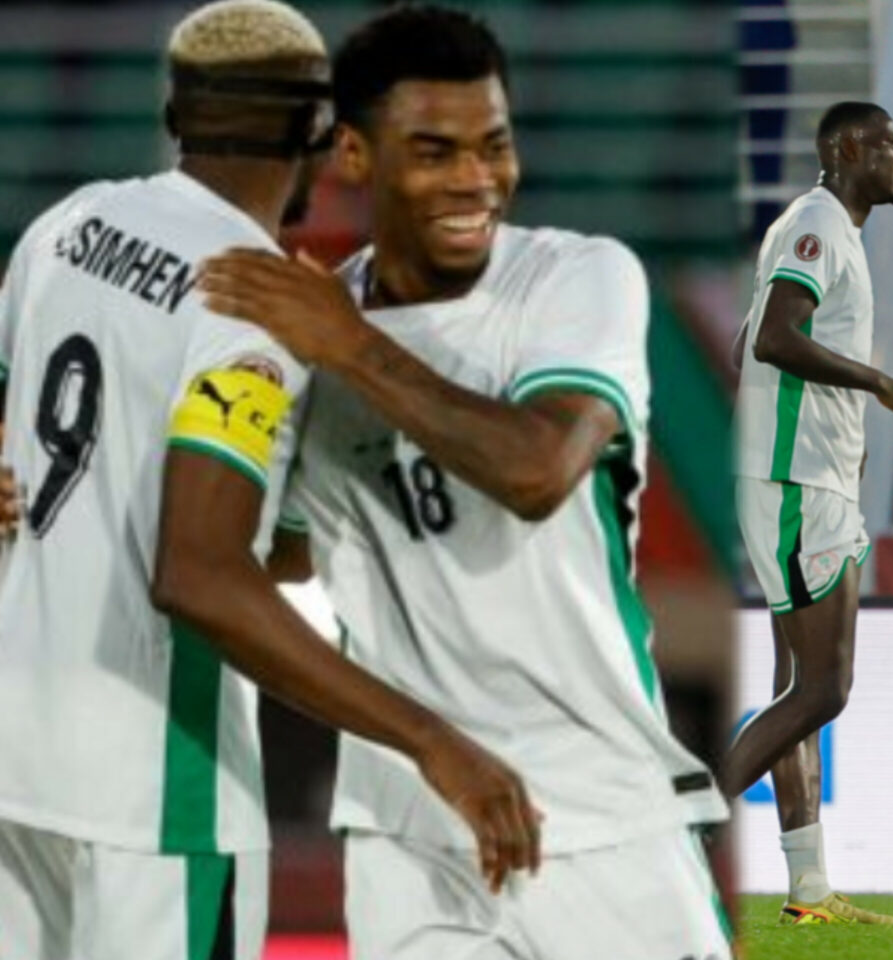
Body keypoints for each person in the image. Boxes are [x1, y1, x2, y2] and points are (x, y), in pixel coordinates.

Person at [0, 3, 537, 958]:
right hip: (154, 800)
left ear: (176, 115)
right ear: (317, 134)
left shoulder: (65, 227)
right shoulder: (253, 299)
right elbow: (199, 575)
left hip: (17, 766)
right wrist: (432, 742)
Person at [196, 6, 730, 957]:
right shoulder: (301, 338)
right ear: (353, 155)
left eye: (494, 145)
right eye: (434, 152)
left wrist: (349, 347)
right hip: (408, 834)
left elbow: (536, 469)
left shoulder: (575, 278)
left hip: (600, 816)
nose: (475, 179)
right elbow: (250, 556)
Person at [722, 99, 893, 925]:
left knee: (794, 686)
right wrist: (878, 385)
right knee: (824, 688)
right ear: (845, 148)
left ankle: (807, 887)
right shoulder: (817, 225)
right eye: (887, 144)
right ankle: (676, 824)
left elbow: (746, 339)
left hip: (803, 470)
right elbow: (772, 337)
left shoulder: (822, 229)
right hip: (795, 478)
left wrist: (838, 438)